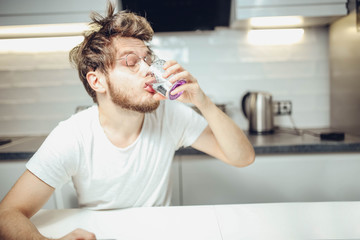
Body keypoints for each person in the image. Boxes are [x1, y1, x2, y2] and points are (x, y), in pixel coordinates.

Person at [0, 2, 255, 240]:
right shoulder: (73, 135)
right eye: (131, 62)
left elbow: (242, 157)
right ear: (97, 81)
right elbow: (7, 214)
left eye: (147, 59)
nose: (147, 70)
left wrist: (203, 102)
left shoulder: (169, 115)